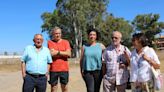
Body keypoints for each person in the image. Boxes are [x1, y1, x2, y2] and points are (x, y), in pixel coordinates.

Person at [48, 27, 71, 92]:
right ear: (53, 34)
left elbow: (69, 54)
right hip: (53, 69)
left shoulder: (66, 42)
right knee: (53, 88)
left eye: (59, 33)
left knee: (65, 87)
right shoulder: (50, 42)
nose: (57, 35)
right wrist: (64, 53)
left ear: (61, 34)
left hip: (64, 69)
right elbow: (51, 54)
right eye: (56, 33)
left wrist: (57, 52)